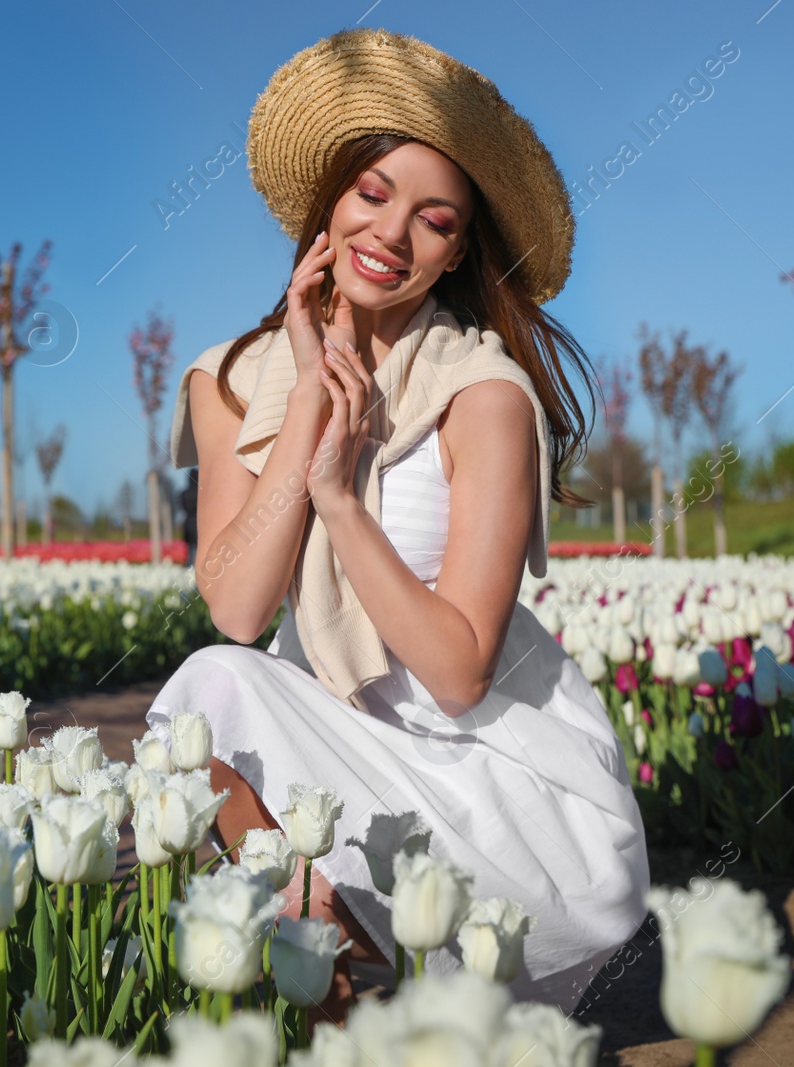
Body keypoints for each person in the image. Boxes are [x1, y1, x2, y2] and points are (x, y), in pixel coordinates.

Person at [145, 26, 649, 1022]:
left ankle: (369, 971)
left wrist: (339, 496)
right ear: (330, 202)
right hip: (340, 753)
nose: (392, 234)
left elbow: (461, 671)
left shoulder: (482, 392)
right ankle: (326, 1002)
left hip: (507, 789)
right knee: (207, 690)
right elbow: (240, 606)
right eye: (373, 194)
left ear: (458, 248)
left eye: (435, 219)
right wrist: (307, 411)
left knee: (219, 694)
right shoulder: (232, 379)